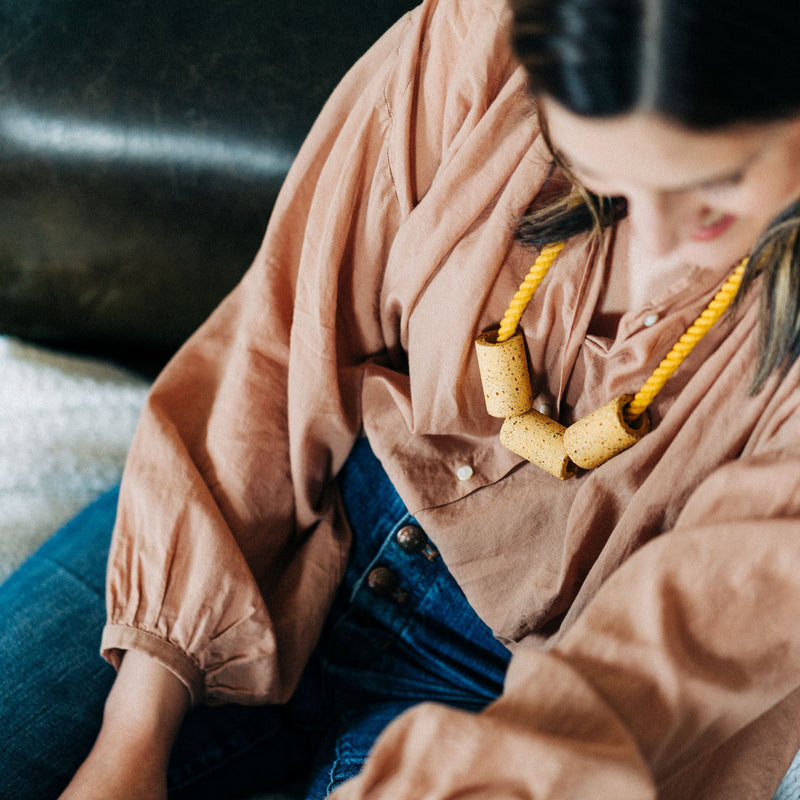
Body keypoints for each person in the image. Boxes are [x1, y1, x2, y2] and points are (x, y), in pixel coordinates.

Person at [2, 0, 800, 797]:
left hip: (530, 686)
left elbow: (674, 657)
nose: (656, 248)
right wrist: (133, 730)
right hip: (289, 518)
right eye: (609, 181)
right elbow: (276, 347)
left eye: (714, 189)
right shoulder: (482, 39)